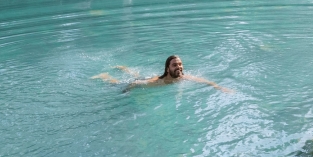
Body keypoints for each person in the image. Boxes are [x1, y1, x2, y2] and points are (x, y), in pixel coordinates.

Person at [92, 56, 233, 93]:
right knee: (117, 83)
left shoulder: (184, 77)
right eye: (175, 65)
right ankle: (104, 76)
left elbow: (205, 81)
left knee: (136, 75)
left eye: (180, 64)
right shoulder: (158, 82)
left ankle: (124, 68)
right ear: (167, 69)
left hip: (147, 78)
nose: (179, 67)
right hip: (145, 80)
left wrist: (219, 87)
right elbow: (135, 83)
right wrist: (125, 92)